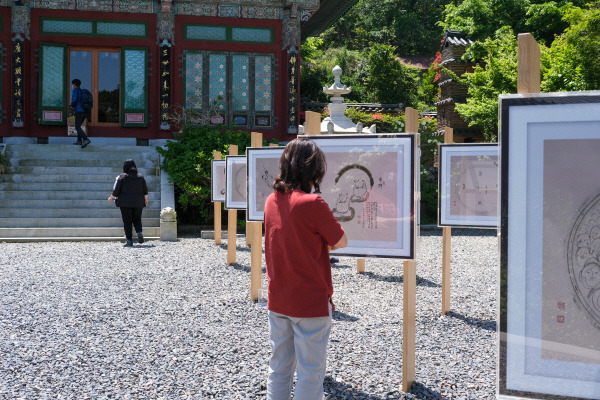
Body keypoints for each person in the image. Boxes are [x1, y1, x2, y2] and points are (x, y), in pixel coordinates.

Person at [264, 138, 348, 400]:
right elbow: (340, 241)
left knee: (279, 368)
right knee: (310, 372)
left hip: (278, 298)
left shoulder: (271, 200)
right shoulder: (313, 204)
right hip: (310, 301)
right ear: (314, 169)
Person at [107, 159, 149, 246]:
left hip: (125, 203)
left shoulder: (122, 177)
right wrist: (146, 199)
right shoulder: (140, 177)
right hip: (138, 202)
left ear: (124, 167)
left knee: (127, 221)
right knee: (137, 219)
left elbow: (117, 190)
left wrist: (111, 198)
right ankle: (139, 232)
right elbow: (145, 190)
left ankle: (129, 240)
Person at [70, 78, 91, 148]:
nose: (72, 86)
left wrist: (72, 105)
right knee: (78, 126)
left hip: (79, 111)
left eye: (72, 85)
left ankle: (85, 139)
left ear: (74, 84)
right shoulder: (82, 91)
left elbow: (75, 99)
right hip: (84, 111)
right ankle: (79, 141)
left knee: (77, 126)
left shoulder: (76, 91)